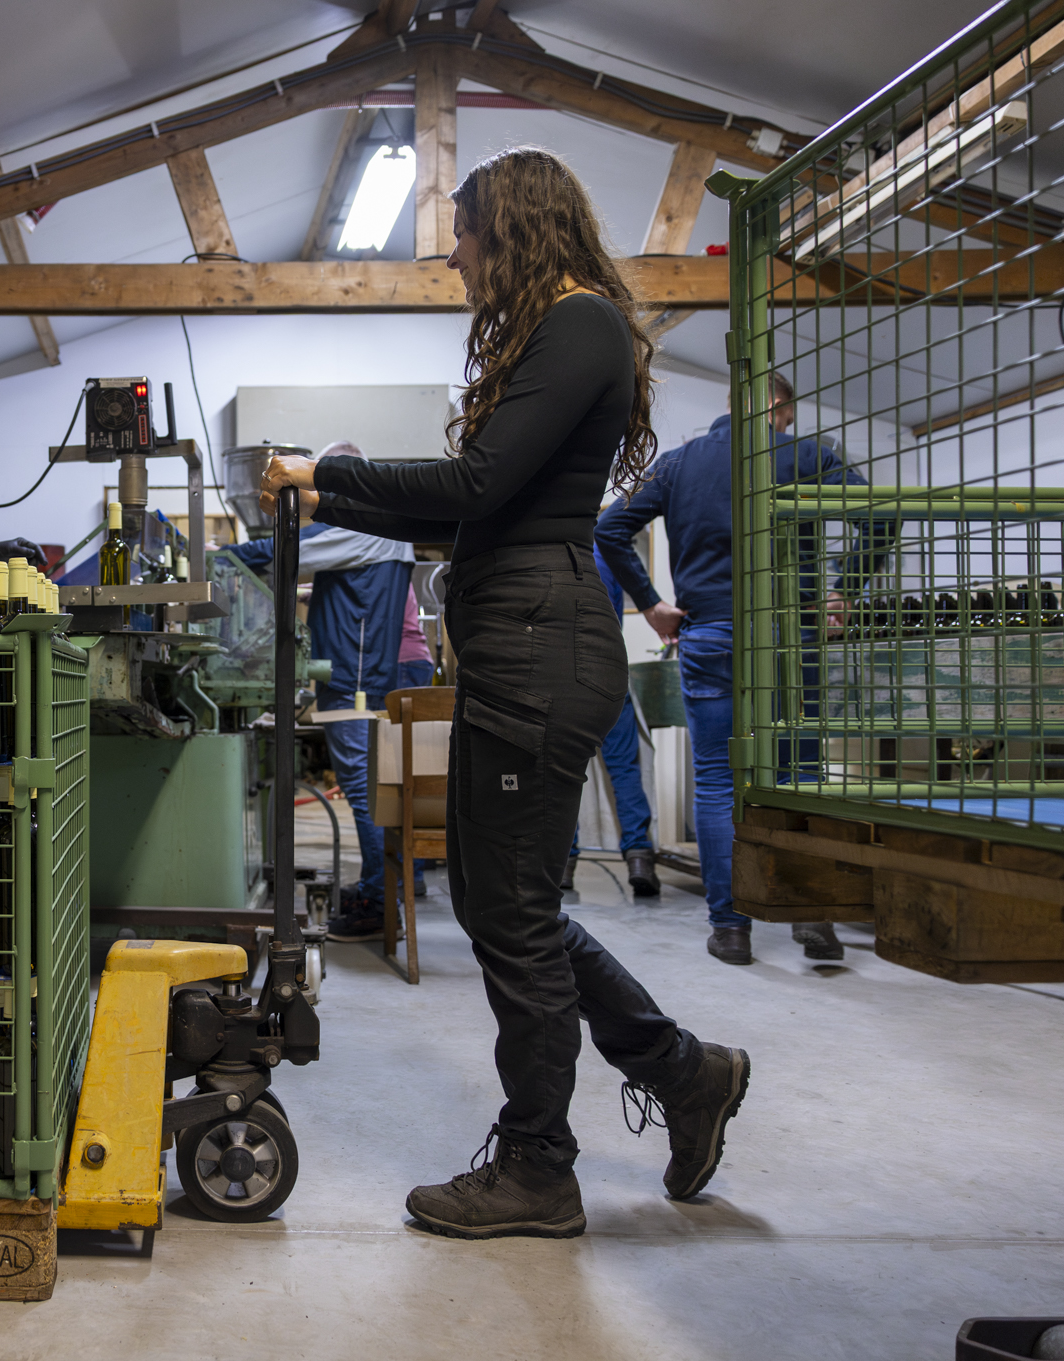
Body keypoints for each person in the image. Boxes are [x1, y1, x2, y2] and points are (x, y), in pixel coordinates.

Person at [260, 148, 748, 1239]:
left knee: (513, 917)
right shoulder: (563, 330)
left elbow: (473, 487)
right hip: (521, 644)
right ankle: (684, 1072)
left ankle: (539, 1166)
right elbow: (469, 513)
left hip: (541, 652)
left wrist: (321, 473)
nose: (456, 251)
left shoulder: (578, 325)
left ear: (518, 227)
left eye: (468, 230)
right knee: (497, 903)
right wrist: (328, 485)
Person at [596, 372, 882, 966]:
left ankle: (731, 929)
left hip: (712, 636)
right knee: (799, 778)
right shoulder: (804, 454)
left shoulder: (679, 464)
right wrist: (842, 590)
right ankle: (812, 918)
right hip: (787, 638)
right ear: (782, 409)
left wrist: (651, 603)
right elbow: (879, 518)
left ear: (731, 406)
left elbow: (610, 527)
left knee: (719, 783)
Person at [227, 441, 415, 944]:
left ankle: (379, 903)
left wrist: (222, 558)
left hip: (352, 679)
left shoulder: (367, 524)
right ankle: (382, 891)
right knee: (369, 790)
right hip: (359, 674)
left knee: (363, 791)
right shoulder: (381, 529)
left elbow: (288, 550)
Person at [562, 548, 660, 899]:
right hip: (610, 672)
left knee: (563, 771)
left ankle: (563, 864)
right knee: (624, 770)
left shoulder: (558, 553)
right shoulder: (608, 556)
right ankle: (639, 857)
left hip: (566, 677)